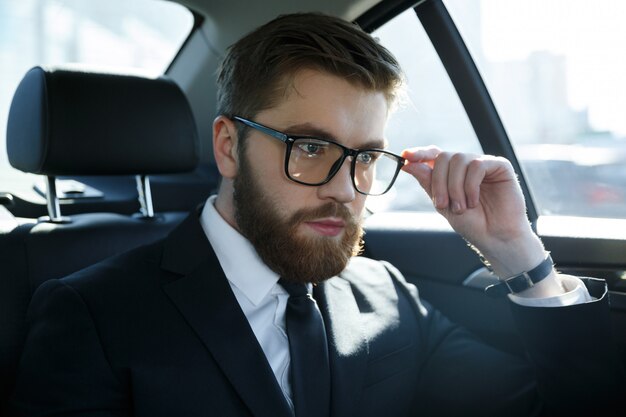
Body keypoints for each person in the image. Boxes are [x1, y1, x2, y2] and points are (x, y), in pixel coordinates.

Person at [11, 12, 623, 417]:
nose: (346, 190)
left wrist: (518, 251)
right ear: (229, 147)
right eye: (310, 148)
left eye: (364, 157)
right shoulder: (90, 314)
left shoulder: (387, 296)